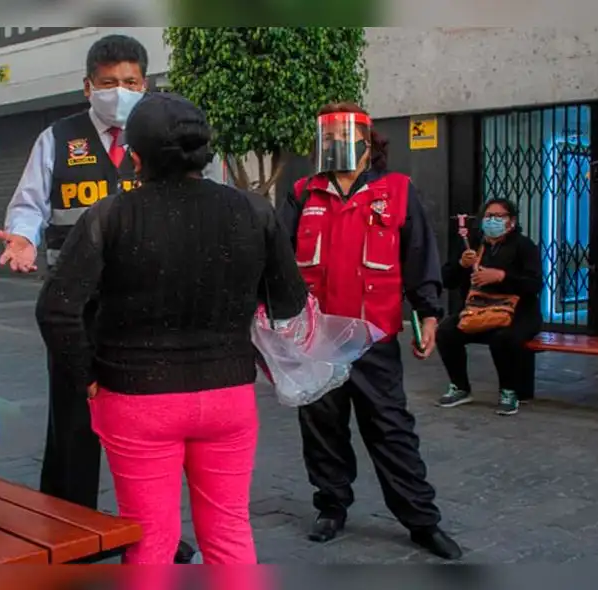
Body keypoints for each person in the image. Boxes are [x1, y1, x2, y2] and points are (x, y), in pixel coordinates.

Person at [36, 92, 309, 564]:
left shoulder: (110, 215)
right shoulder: (254, 211)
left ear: (135, 158)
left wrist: (88, 377)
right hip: (228, 396)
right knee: (229, 531)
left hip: (136, 400)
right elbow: (290, 300)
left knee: (150, 541)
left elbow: (57, 309)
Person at [0, 35, 199, 563]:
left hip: (147, 309)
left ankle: (156, 533)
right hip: (75, 310)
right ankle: (67, 532)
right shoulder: (57, 139)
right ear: (88, 87)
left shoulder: (163, 140)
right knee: (73, 428)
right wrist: (22, 237)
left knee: (150, 432)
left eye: (130, 82)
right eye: (108, 83)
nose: (119, 92)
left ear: (146, 85)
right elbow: (30, 205)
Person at [277, 102, 462, 560]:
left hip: (372, 339)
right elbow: (278, 261)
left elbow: (419, 257)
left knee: (390, 428)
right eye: (328, 136)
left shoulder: (396, 192)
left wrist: (430, 316)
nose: (336, 144)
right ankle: (332, 505)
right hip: (316, 340)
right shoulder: (304, 193)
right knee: (321, 427)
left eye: (345, 135)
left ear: (367, 142)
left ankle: (421, 520)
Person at [436, 198, 543, 415]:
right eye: (488, 216)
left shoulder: (524, 246)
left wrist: (501, 277)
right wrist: (461, 265)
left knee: (503, 338)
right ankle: (460, 386)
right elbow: (447, 280)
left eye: (499, 216)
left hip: (517, 312)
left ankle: (509, 390)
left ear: (511, 221)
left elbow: (534, 284)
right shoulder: (472, 244)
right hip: (478, 310)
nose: (492, 220)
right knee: (446, 331)